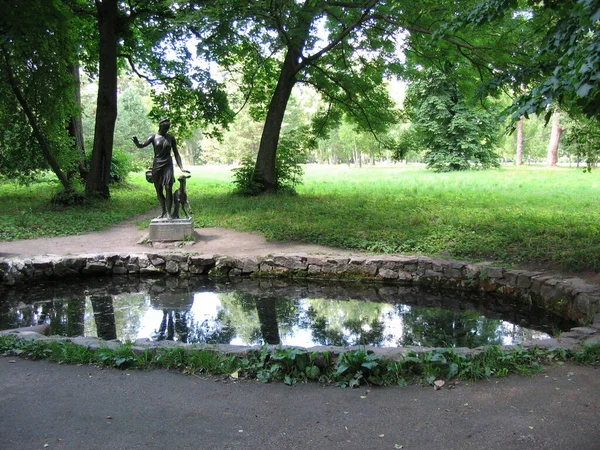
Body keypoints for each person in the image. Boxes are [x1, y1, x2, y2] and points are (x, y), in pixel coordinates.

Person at [133, 118, 189, 219]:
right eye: (164, 128)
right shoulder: (154, 137)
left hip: (168, 164)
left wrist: (181, 167)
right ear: (160, 126)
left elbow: (176, 153)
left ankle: (168, 213)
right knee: (158, 190)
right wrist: (137, 143)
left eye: (167, 129)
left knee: (168, 188)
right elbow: (142, 145)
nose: (166, 131)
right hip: (157, 164)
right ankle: (163, 211)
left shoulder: (171, 138)